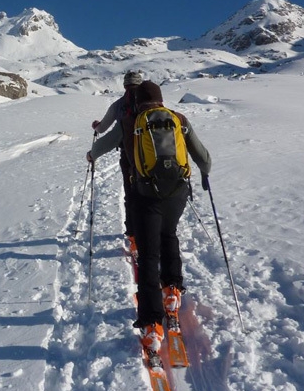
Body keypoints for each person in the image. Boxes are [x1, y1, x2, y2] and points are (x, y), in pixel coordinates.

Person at [121, 80, 212, 354]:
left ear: (137, 101)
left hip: (146, 195)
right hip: (177, 192)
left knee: (148, 255)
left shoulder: (134, 122)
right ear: (160, 99)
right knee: (169, 234)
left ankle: (152, 323)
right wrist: (204, 173)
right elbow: (204, 158)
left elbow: (125, 154)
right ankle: (172, 289)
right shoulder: (178, 119)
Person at [85, 70, 143, 244]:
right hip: (156, 156)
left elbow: (103, 129)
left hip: (130, 157)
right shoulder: (156, 104)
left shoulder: (119, 105)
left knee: (132, 194)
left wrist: (93, 152)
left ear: (125, 85)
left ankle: (133, 233)